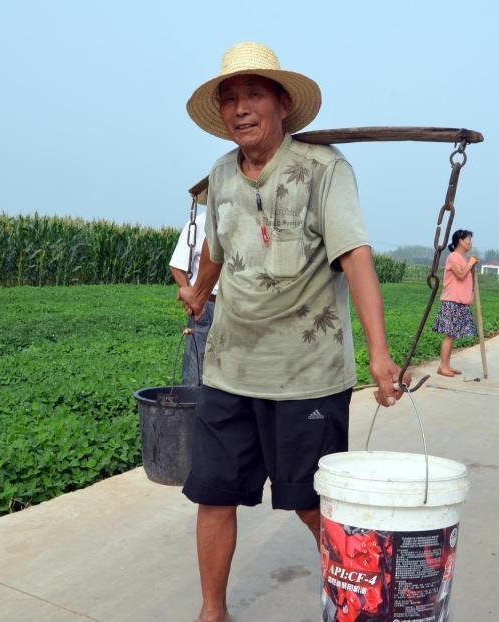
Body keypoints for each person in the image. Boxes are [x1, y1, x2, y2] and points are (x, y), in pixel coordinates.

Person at [177, 41, 407, 622]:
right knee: (213, 493)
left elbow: (355, 255)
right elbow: (216, 247)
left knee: (315, 506)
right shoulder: (221, 173)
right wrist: (201, 292)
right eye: (229, 98)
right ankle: (212, 613)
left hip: (306, 377)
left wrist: (380, 354)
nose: (239, 109)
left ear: (283, 104)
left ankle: (362, 605)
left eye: (253, 94)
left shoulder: (324, 169)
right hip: (229, 369)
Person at [169, 206, 219, 385]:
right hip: (208, 304)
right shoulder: (198, 224)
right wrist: (194, 299)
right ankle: (191, 403)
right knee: (196, 362)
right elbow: (177, 266)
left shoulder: (245, 222)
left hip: (235, 305)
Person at [433, 229, 478, 376]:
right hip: (452, 301)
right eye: (468, 240)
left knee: (453, 335)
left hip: (460, 303)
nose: (470, 243)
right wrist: (470, 263)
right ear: (460, 240)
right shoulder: (453, 257)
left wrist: (470, 265)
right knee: (450, 335)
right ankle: (442, 367)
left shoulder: (463, 259)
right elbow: (460, 275)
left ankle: (446, 365)